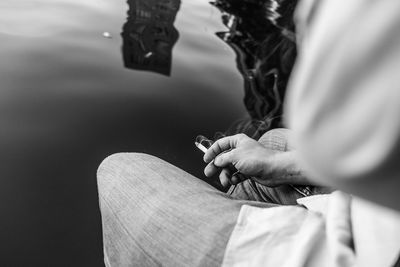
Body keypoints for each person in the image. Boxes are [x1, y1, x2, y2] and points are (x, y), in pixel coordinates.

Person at [97, 0, 400, 266]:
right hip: (381, 210)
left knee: (117, 172)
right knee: (272, 143)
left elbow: (331, 128)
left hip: (370, 249)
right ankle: (221, 227)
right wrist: (273, 164)